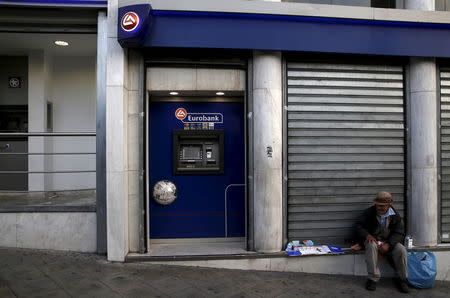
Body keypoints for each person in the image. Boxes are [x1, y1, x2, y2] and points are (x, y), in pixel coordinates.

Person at [354, 191, 409, 293]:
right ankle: (372, 278)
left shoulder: (395, 216)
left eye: (383, 206)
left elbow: (399, 232)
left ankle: (402, 279)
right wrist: (367, 235)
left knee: (401, 250)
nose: (379, 208)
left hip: (389, 242)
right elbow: (358, 226)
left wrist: (388, 244)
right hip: (373, 240)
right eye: (378, 205)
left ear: (389, 205)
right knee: (370, 245)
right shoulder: (369, 213)